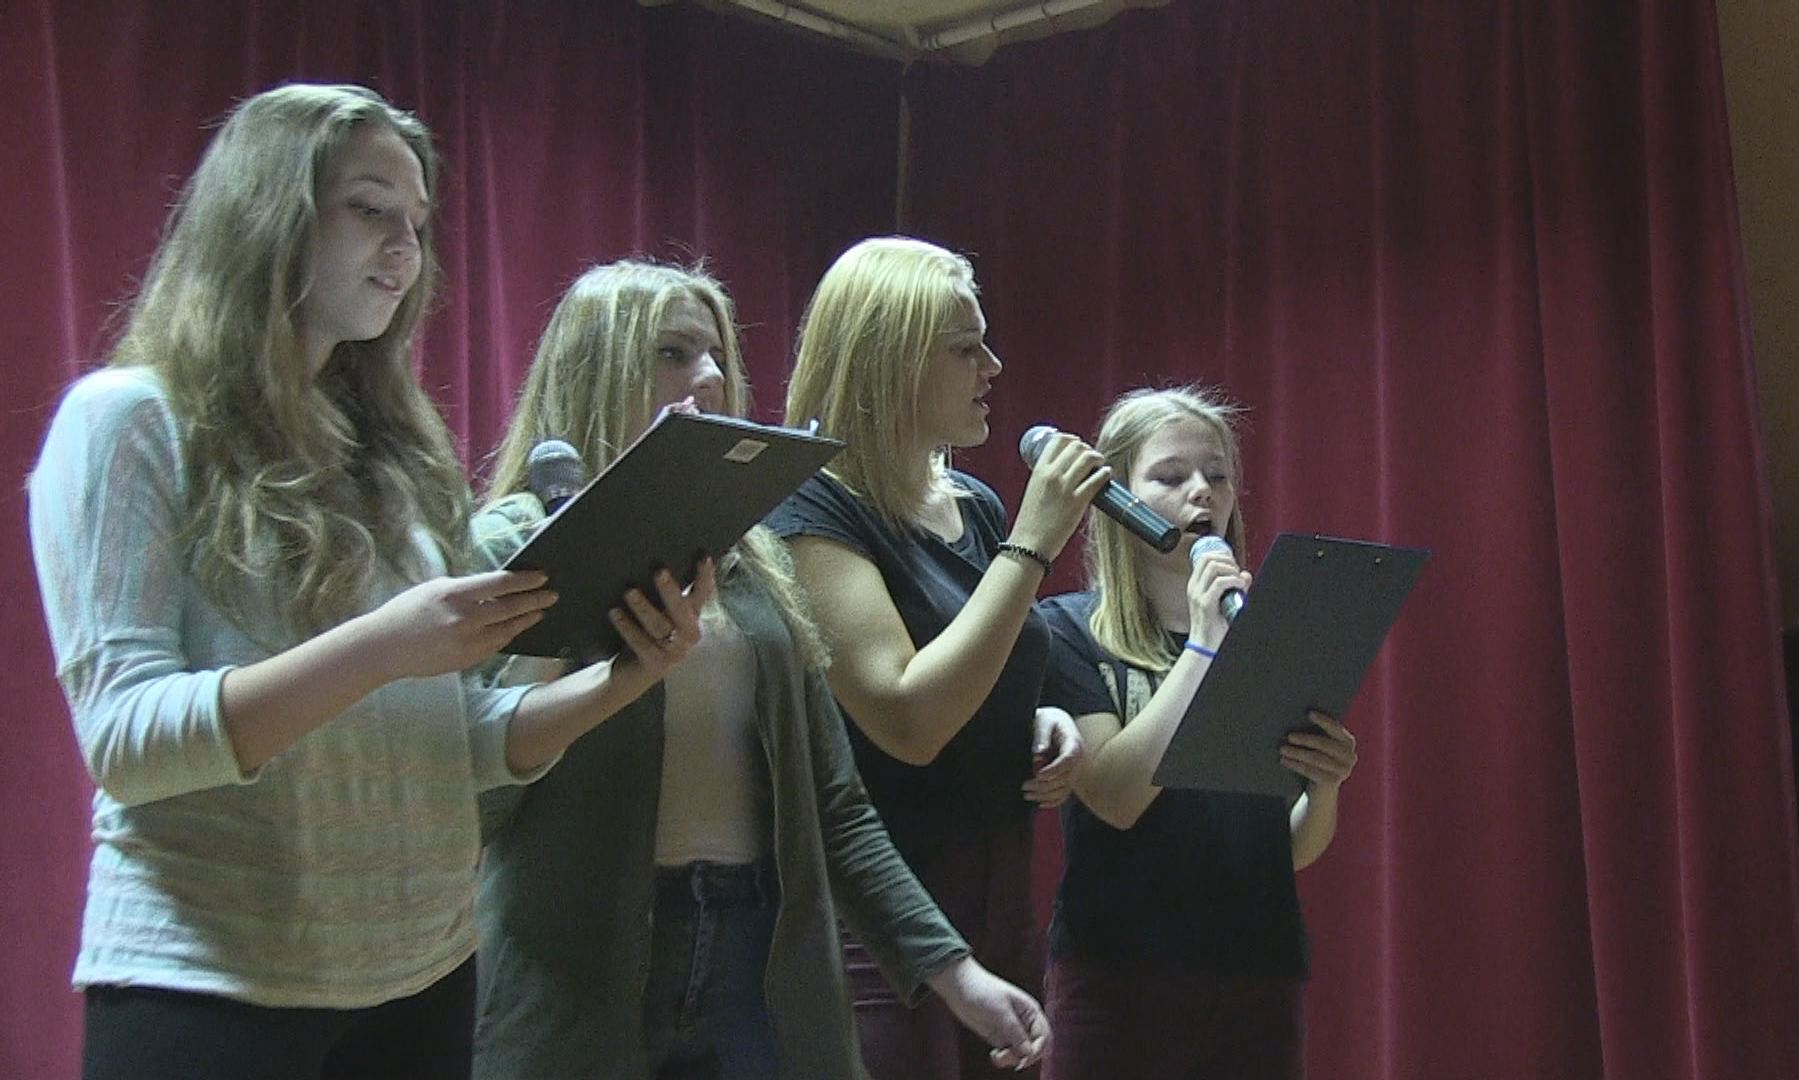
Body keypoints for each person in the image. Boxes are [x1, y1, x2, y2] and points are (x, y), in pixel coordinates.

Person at [26, 84, 710, 1080]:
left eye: (418, 224)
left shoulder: (394, 455)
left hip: (422, 980)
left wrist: (624, 678)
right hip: (209, 986)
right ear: (267, 213)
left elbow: (458, 745)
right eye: (369, 208)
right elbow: (128, 742)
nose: (404, 248)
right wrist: (386, 645)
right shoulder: (131, 418)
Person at [468, 259, 1050, 1080]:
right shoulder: (506, 543)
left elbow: (835, 804)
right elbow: (474, 795)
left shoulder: (755, 562)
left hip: (758, 961)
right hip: (581, 971)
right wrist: (561, 598)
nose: (708, 377)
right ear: (593, 370)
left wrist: (953, 971)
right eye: (673, 352)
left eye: (718, 357)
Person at [768, 236, 1107, 1079]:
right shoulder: (810, 507)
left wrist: (1037, 716)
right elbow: (908, 719)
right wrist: (1032, 544)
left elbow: (978, 667)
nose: (993, 367)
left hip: (1002, 908)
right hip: (886, 936)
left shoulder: (974, 503)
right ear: (888, 363)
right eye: (965, 349)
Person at [1034, 386, 1359, 1080]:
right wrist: (1202, 649)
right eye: (1170, 476)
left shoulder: (1266, 640)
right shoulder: (1068, 630)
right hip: (1119, 978)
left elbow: (1285, 848)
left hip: (1258, 979)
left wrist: (1326, 785)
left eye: (1217, 475)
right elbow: (1116, 798)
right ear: (1116, 497)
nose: (1201, 493)